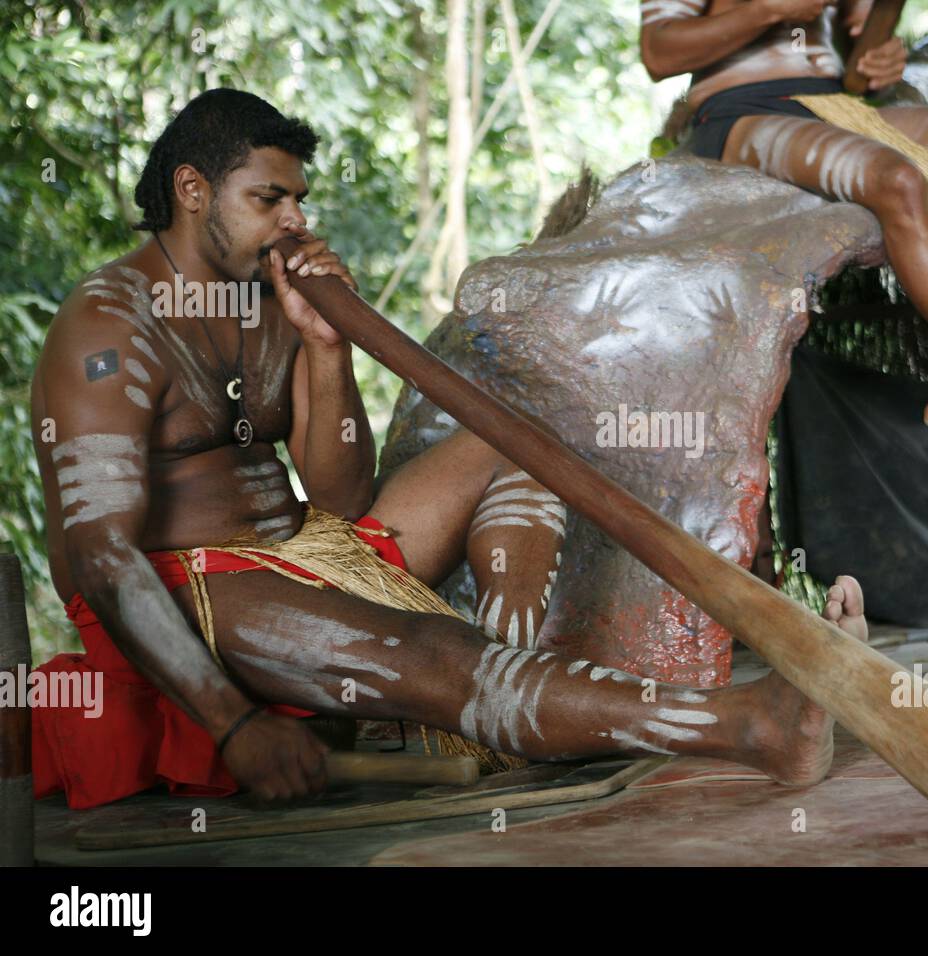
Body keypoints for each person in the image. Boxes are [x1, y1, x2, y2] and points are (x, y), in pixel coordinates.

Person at [29, 89, 865, 809]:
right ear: (192, 191)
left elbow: (341, 498)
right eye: (269, 199)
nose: (296, 221)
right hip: (195, 584)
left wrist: (325, 346)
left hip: (308, 552)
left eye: (300, 200)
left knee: (517, 447)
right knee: (438, 657)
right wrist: (234, 721)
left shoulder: (270, 301)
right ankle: (751, 726)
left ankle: (505, 682)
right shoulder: (108, 325)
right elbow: (101, 555)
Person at [640, 0, 928, 482]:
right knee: (899, 180)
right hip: (742, 115)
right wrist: (768, 10)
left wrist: (880, 52)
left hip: (833, 107)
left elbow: (857, 71)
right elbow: (659, 54)